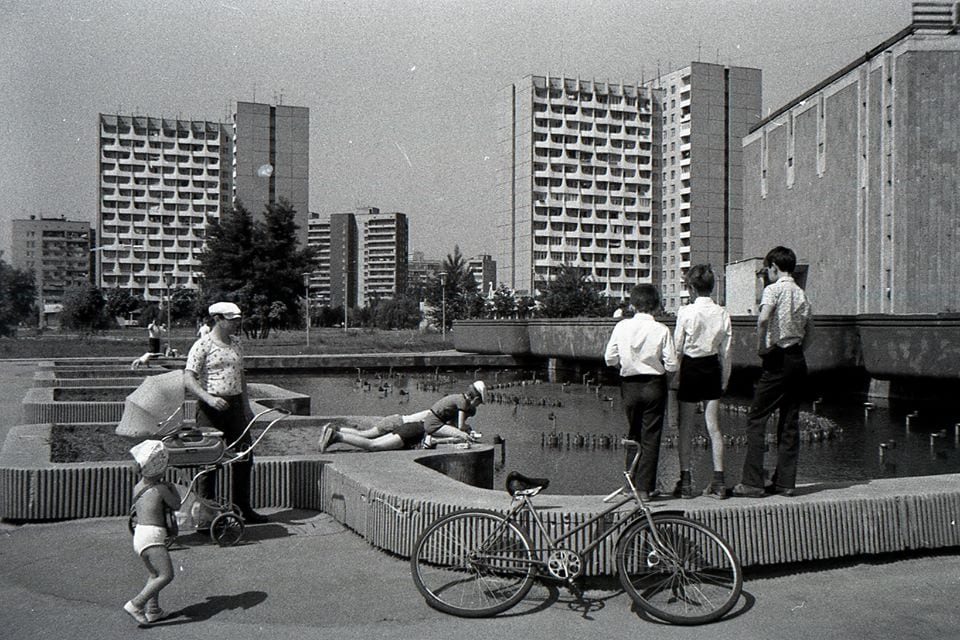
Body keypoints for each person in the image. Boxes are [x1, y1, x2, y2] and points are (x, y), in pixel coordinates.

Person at [733, 246, 813, 498]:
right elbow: (811, 330)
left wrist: (762, 347)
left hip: (777, 357)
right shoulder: (801, 294)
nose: (766, 273)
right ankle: (785, 482)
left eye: (767, 269)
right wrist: (798, 349)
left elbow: (763, 319)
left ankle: (753, 482)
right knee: (789, 421)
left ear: (774, 267)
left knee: (757, 417)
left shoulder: (773, 289)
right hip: (797, 359)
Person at [183, 301, 267, 524]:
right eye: (232, 320)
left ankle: (242, 509)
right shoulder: (202, 345)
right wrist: (209, 398)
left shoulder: (237, 343)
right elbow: (188, 378)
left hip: (236, 407)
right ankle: (207, 516)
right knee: (209, 462)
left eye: (238, 319)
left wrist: (247, 406)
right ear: (218, 319)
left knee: (243, 456)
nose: (237, 323)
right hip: (211, 410)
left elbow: (241, 376)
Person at [604, 284, 678, 500]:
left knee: (633, 433)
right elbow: (672, 364)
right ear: (656, 306)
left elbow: (609, 358)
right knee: (651, 436)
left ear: (632, 304)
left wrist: (625, 367)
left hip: (629, 385)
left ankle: (630, 486)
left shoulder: (622, 327)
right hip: (654, 384)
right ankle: (644, 489)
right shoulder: (662, 330)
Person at [671, 264, 733, 500]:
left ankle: (685, 480)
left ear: (692, 288)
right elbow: (726, 351)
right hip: (712, 367)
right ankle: (718, 481)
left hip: (690, 367)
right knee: (714, 427)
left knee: (686, 426)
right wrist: (725, 378)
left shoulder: (685, 312)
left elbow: (678, 346)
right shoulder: (722, 313)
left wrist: (675, 375)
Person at [318, 381, 487, 452]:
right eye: (479, 403)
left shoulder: (447, 407)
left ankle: (337, 433)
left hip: (407, 426)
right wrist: (464, 435)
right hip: (410, 430)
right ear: (475, 398)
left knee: (369, 438)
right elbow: (457, 430)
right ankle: (337, 435)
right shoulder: (453, 411)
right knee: (372, 445)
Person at [125, 440, 180, 627]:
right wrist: (173, 488)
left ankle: (154, 610)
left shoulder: (138, 487)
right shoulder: (162, 488)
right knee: (166, 575)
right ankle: (137, 603)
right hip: (153, 536)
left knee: (154, 574)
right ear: (160, 468)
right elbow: (176, 504)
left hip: (140, 535)